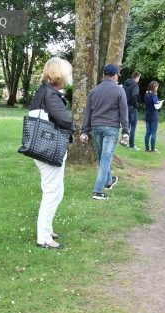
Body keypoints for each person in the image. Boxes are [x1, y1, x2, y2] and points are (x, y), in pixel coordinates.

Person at [28, 57, 76, 249]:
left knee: (55, 191)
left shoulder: (44, 91)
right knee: (52, 192)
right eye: (68, 73)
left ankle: (47, 230)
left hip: (43, 147)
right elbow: (65, 120)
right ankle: (44, 238)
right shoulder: (50, 94)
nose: (69, 77)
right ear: (60, 74)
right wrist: (74, 124)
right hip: (50, 148)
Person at [80, 64, 130, 200]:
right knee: (105, 159)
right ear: (115, 76)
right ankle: (98, 191)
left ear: (103, 75)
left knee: (103, 158)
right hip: (111, 128)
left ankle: (109, 181)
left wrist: (84, 131)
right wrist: (126, 132)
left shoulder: (93, 91)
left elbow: (87, 113)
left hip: (96, 127)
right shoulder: (119, 91)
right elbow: (124, 112)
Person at [123, 71, 141, 150]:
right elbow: (134, 95)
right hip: (132, 108)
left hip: (125, 107)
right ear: (137, 77)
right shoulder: (135, 85)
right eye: (139, 78)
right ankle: (132, 145)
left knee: (127, 126)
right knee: (133, 127)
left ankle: (124, 141)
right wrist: (135, 105)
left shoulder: (125, 84)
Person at [143, 81, 162, 153]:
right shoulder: (154, 96)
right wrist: (160, 103)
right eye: (157, 87)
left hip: (147, 115)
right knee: (153, 133)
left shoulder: (146, 95)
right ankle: (153, 149)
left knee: (148, 133)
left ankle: (147, 148)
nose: (157, 88)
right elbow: (156, 106)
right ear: (154, 87)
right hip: (154, 116)